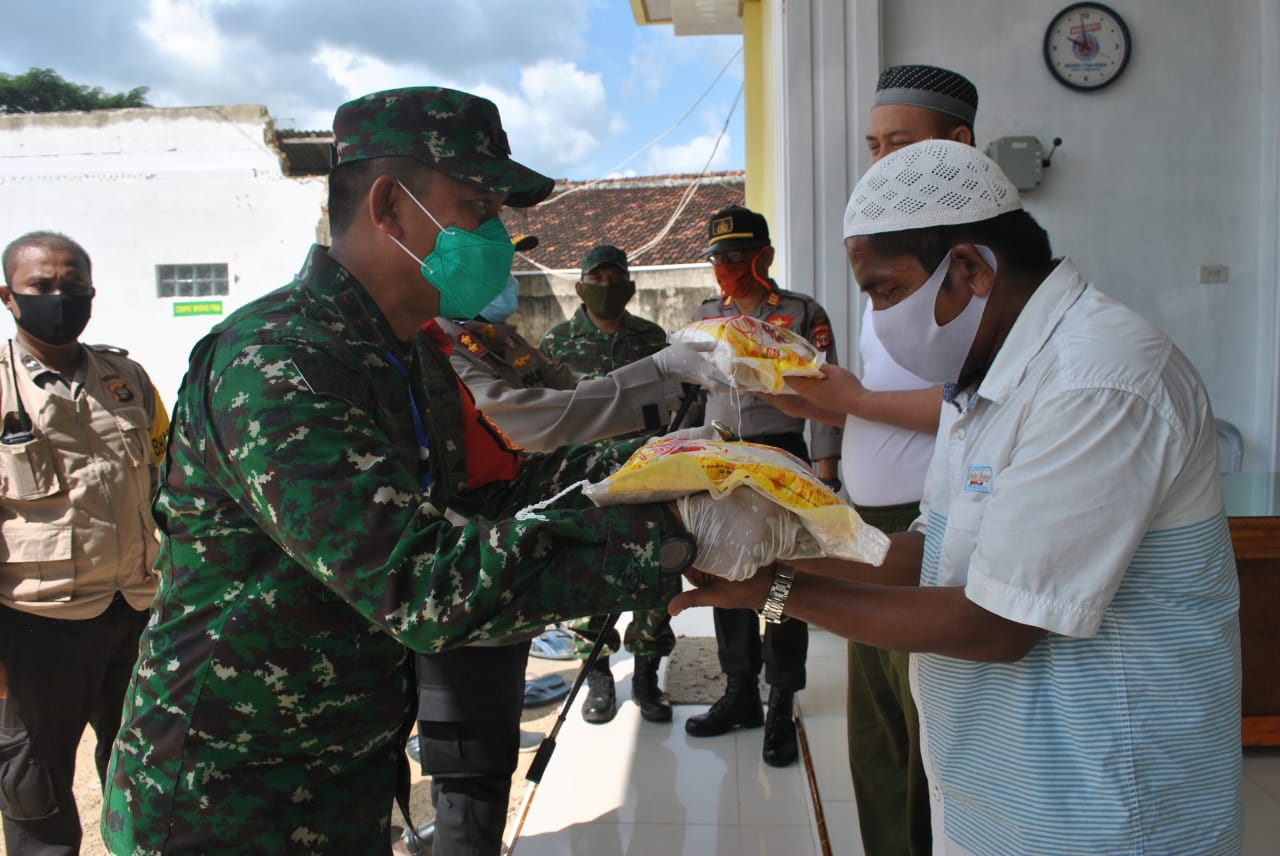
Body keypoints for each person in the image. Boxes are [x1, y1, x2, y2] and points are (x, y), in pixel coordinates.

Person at [98, 86, 784, 854]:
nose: (496, 236)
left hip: (344, 773)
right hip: (221, 796)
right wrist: (672, 540)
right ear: (390, 206)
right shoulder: (277, 364)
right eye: (477, 208)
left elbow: (494, 493)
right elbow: (421, 582)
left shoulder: (407, 352)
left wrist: (676, 465)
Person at [672, 140, 1243, 853]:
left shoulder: (1099, 381)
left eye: (886, 291)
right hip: (1001, 800)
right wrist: (772, 544)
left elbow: (997, 625)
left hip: (1103, 815)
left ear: (970, 269)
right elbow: (930, 554)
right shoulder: (983, 383)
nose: (878, 317)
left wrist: (775, 589)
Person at [416, 245, 723, 854]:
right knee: (468, 779)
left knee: (490, 761)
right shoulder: (428, 347)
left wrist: (665, 407)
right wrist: (661, 377)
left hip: (508, 569)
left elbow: (571, 390)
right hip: (459, 578)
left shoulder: (493, 339)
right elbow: (523, 420)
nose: (503, 276)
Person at [764, 63, 978, 856]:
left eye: (900, 143)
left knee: (925, 727)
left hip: (928, 523)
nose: (881, 162)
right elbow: (884, 396)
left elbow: (975, 405)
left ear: (959, 145)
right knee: (880, 733)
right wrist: (818, 404)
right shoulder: (895, 258)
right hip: (871, 519)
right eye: (872, 146)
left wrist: (853, 400)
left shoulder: (974, 269)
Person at [0, 231, 168, 855]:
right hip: (38, 625)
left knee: (148, 771)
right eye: (41, 286)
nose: (59, 298)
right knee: (34, 784)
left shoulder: (127, 379)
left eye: (73, 286)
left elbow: (167, 474)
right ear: (8, 296)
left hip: (137, 610)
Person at [682, 205, 841, 768]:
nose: (725, 266)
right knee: (726, 571)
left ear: (764, 256)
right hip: (722, 459)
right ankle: (740, 692)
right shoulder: (707, 316)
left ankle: (781, 699)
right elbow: (692, 394)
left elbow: (826, 392)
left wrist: (827, 471)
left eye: (736, 256)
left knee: (782, 577)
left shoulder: (800, 313)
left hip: (781, 456)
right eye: (717, 257)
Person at [539, 244, 676, 725]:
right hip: (584, 476)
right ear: (580, 286)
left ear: (629, 286)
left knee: (655, 567)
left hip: (646, 471)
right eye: (596, 279)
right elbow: (547, 411)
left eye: (614, 279)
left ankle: (646, 675)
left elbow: (670, 401)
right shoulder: (556, 342)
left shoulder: (652, 338)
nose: (605, 287)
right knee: (588, 571)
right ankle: (596, 674)